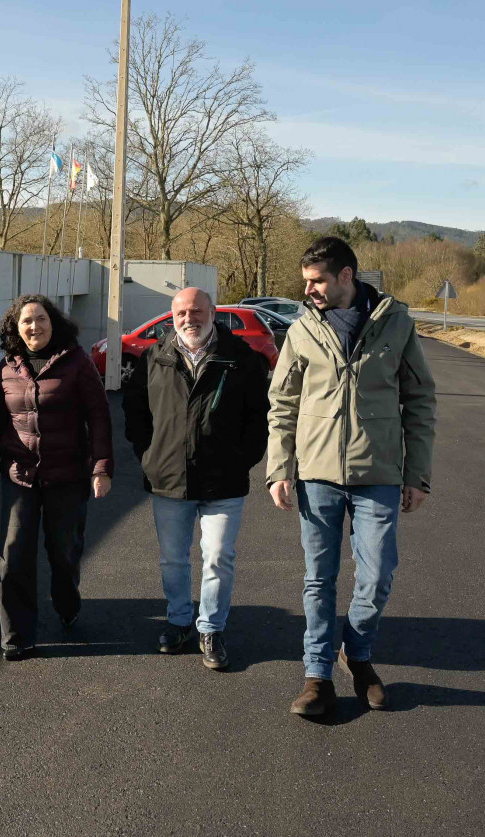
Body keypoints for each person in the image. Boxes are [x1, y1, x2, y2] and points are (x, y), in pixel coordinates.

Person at [267, 237, 437, 717]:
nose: (310, 289)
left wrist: (417, 474)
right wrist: (280, 468)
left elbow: (420, 400)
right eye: (306, 282)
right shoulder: (301, 329)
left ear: (347, 275)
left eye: (317, 280)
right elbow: (282, 404)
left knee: (378, 573)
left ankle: (357, 655)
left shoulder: (396, 322)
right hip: (317, 473)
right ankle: (317, 675)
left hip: (378, 472)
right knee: (318, 580)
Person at [123, 287, 269, 671]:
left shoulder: (240, 358)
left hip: (224, 481)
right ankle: (178, 620)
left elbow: (259, 417)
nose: (190, 319)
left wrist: (243, 460)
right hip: (168, 480)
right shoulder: (155, 357)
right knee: (173, 560)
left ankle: (211, 628)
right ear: (173, 316)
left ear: (212, 312)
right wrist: (149, 456)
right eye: (182, 312)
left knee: (218, 557)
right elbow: (136, 412)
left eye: (198, 311)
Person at [0, 295, 113, 661]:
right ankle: (17, 635)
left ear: (54, 323)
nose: (34, 327)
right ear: (15, 328)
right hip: (20, 475)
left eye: (41, 319)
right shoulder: (6, 368)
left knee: (63, 553)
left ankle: (67, 602)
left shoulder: (77, 362)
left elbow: (99, 416)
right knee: (14, 554)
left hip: (67, 475)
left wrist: (101, 468)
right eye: (26, 322)